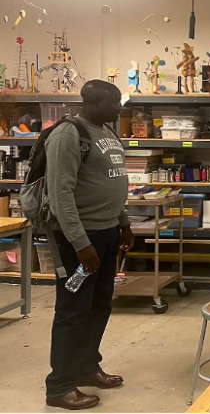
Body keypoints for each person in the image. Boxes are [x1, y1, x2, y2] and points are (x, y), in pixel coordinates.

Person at [45, 80, 135, 410]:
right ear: (93, 102)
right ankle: (59, 386)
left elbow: (113, 180)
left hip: (107, 233)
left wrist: (123, 222)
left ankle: (86, 367)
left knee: (99, 305)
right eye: (113, 103)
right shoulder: (68, 135)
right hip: (80, 241)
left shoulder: (108, 133)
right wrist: (81, 243)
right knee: (73, 310)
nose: (119, 109)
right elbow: (60, 195)